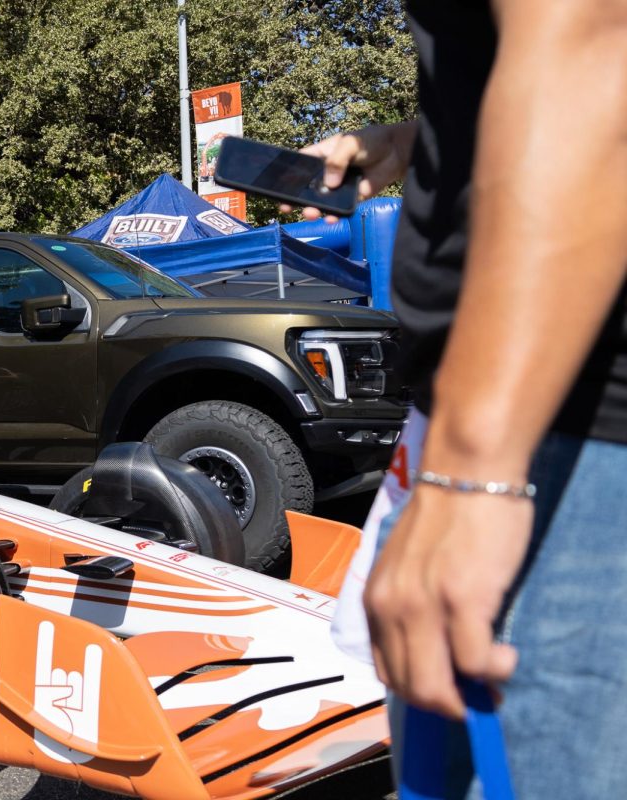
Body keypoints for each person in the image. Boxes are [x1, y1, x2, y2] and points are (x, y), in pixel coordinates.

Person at [299, 0, 627, 796]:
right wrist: (417, 140)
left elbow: (597, 53)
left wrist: (475, 469)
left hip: (567, 430)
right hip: (512, 422)